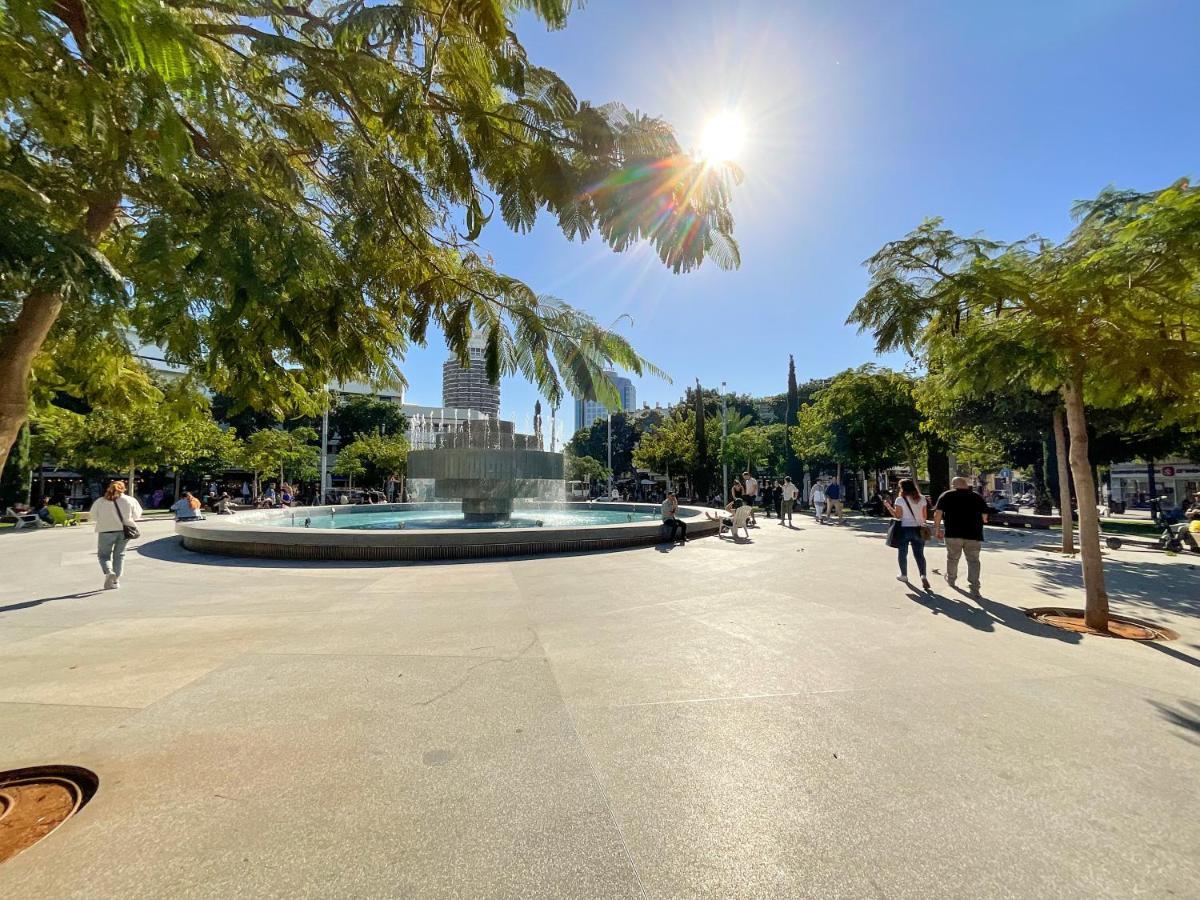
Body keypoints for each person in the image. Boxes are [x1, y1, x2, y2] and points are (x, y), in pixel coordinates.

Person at [933, 476, 990, 594]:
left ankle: (951, 579)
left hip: (953, 534)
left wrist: (937, 529)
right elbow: (985, 517)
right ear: (966, 484)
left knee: (953, 558)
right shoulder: (977, 497)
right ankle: (974, 586)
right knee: (973, 560)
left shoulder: (946, 495)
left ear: (954, 485)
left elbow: (937, 514)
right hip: (974, 534)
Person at [93, 480, 143, 590]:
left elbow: (93, 516)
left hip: (105, 531)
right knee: (119, 555)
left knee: (104, 555)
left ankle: (109, 572)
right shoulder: (130, 500)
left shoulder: (101, 501)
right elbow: (137, 515)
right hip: (125, 531)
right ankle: (116, 580)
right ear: (123, 488)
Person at [885, 478, 930, 590]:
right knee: (919, 554)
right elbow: (924, 517)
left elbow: (898, 516)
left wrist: (888, 506)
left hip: (904, 529)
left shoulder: (900, 500)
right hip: (919, 529)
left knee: (903, 553)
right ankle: (923, 575)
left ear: (902, 488)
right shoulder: (922, 499)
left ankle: (904, 575)